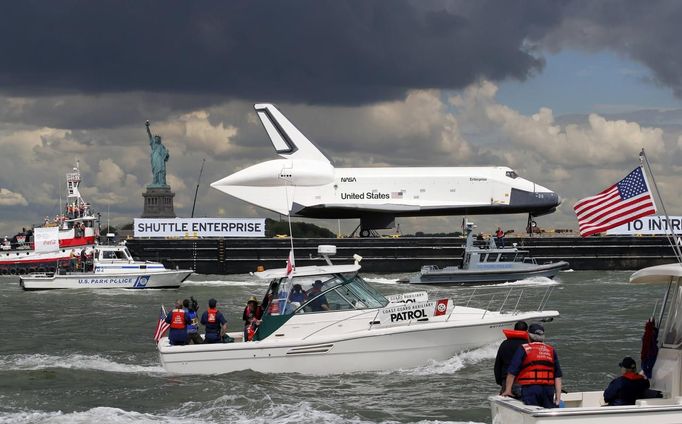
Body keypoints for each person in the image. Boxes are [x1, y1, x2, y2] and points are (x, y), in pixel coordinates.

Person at [502, 323, 562, 408]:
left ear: (528, 336)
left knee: (532, 412)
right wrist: (558, 398)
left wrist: (508, 390)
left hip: (531, 389)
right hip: (548, 390)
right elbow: (558, 376)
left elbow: (512, 372)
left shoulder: (524, 348)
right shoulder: (551, 350)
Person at [494, 321, 528, 397]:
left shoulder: (505, 344)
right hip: (524, 381)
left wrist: (500, 381)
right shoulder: (529, 345)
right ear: (526, 331)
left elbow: (498, 365)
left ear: (514, 330)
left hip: (506, 382)